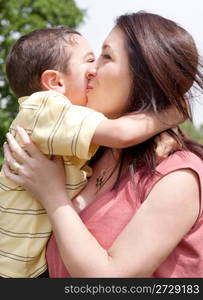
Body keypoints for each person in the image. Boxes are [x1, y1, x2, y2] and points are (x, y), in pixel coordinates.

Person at [4, 11, 203, 278]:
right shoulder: (83, 154)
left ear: (143, 76)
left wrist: (52, 195)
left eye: (106, 57)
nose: (92, 70)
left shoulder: (175, 176)